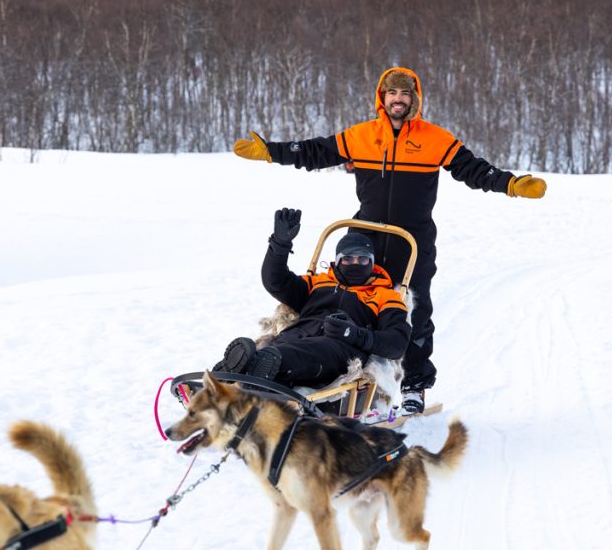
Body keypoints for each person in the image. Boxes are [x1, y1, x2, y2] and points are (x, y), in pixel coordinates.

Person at [230, 67, 546, 414]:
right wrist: (271, 151)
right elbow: (315, 152)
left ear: (415, 99)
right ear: (382, 97)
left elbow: (472, 169)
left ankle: (414, 385)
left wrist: (511, 185)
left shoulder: (434, 139)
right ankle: (325, 363)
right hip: (364, 233)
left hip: (411, 239)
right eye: (392, 93)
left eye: (405, 94)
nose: (398, 99)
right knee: (343, 299)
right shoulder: (363, 136)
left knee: (414, 311)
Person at [215, 208, 411, 390]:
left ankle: (255, 370)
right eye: (348, 258)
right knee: (278, 346)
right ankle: (236, 372)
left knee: (305, 352)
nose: (355, 263)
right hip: (295, 337)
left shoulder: (385, 295)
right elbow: (276, 282)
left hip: (341, 349)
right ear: (338, 260)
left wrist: (354, 334)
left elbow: (397, 343)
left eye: (363, 259)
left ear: (372, 262)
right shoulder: (319, 282)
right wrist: (279, 245)